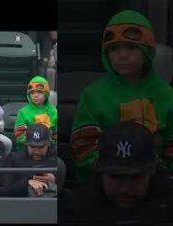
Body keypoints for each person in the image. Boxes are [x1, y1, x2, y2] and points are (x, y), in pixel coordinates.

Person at [70, 9, 173, 185]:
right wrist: (114, 171)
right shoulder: (93, 95)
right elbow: (83, 147)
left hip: (156, 181)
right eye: (115, 49)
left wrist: (157, 173)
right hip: (104, 181)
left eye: (131, 48)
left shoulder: (166, 94)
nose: (122, 55)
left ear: (148, 51)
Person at [59, 122, 173, 226]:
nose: (125, 189)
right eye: (115, 177)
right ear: (100, 171)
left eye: (135, 178)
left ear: (152, 171)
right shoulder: (75, 210)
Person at [6, 124, 62, 197]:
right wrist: (27, 182)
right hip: (21, 203)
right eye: (32, 146)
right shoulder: (14, 159)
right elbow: (6, 190)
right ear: (26, 143)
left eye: (41, 147)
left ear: (48, 144)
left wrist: (55, 179)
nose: (37, 152)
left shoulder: (57, 162)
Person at [14, 76, 58, 151]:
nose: (35, 95)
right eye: (32, 92)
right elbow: (19, 136)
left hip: (49, 149)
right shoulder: (23, 112)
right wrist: (34, 144)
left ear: (46, 94)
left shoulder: (54, 112)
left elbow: (56, 135)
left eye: (39, 92)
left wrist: (48, 138)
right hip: (27, 150)